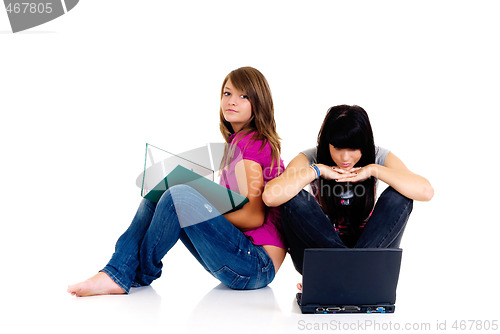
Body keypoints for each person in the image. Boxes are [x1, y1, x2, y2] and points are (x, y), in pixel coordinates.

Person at [68, 67, 286, 297]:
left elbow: (254, 216)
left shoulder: (252, 144)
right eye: (227, 93)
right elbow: (233, 205)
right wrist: (201, 206)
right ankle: (117, 272)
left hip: (256, 266)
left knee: (178, 196)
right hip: (242, 261)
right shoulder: (237, 144)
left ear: (258, 103)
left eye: (244, 96)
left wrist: (200, 208)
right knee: (159, 194)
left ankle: (132, 273)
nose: (232, 101)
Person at [262, 104, 433, 278]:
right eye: (337, 148)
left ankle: (347, 273)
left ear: (364, 144)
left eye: (353, 149)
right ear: (327, 143)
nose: (345, 158)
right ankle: (354, 273)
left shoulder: (378, 156)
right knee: (293, 196)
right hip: (322, 258)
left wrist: (373, 170)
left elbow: (425, 191)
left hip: (369, 249)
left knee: (399, 195)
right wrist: (317, 170)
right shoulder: (310, 158)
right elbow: (270, 196)